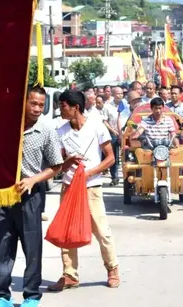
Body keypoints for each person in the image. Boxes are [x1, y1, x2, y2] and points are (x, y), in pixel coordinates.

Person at [0, 86, 78, 307]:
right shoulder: (6, 126)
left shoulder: (46, 131)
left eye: (41, 105)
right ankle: (0, 297)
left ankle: (31, 296)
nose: (37, 108)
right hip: (3, 196)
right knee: (2, 246)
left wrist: (33, 180)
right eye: (33, 103)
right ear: (23, 102)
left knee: (31, 247)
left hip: (31, 196)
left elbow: (56, 166)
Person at [49, 89, 120, 291]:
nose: (59, 109)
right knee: (66, 231)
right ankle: (70, 274)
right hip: (69, 186)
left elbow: (110, 158)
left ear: (75, 107)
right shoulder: (60, 131)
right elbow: (58, 164)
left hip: (91, 187)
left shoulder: (97, 127)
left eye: (62, 106)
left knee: (101, 231)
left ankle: (112, 268)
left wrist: (90, 173)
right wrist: (66, 163)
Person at [102, 87, 124, 186]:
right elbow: (105, 121)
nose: (120, 95)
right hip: (113, 133)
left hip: (125, 133)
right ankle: (114, 177)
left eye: (122, 93)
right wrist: (113, 131)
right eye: (118, 93)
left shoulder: (126, 105)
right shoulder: (107, 106)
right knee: (113, 156)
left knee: (127, 156)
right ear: (113, 94)